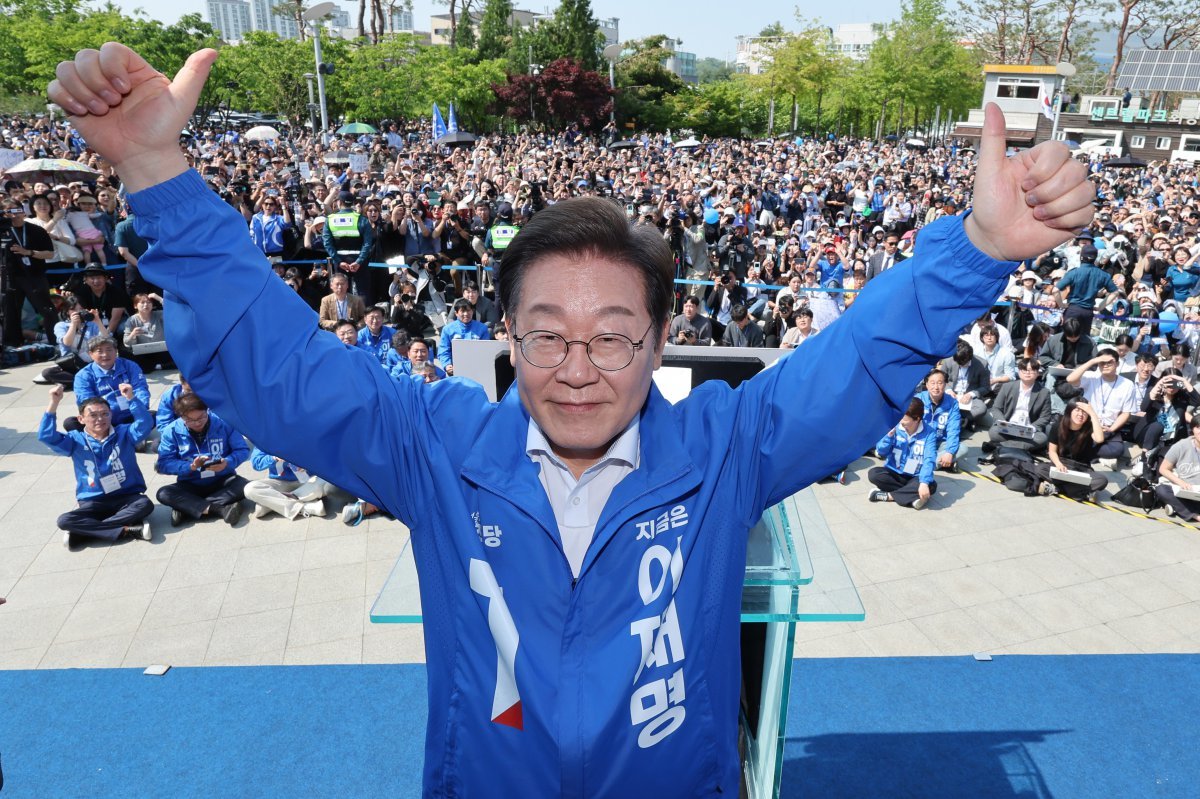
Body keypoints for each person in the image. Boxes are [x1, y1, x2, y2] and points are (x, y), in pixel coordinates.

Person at [50, 44, 1093, 796]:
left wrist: (976, 252)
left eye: (614, 337)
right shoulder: (435, 447)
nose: (579, 370)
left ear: (663, 337)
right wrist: (155, 174)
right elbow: (279, 366)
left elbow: (855, 362)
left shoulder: (724, 447)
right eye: (547, 334)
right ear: (505, 330)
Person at [38, 383, 154, 548]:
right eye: (93, 415)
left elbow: (145, 423)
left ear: (111, 415)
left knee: (145, 505)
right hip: (93, 501)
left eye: (105, 414)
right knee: (64, 520)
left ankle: (85, 532)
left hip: (126, 496)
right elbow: (46, 436)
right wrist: (54, 403)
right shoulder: (75, 440)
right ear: (81, 419)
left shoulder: (124, 433)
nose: (100, 419)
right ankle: (125, 530)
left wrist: (131, 398)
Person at [156, 392, 250, 527]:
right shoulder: (171, 431)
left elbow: (242, 450)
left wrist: (227, 462)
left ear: (207, 410)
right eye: (190, 420)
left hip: (222, 479)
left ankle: (188, 507)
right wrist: (190, 467)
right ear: (181, 416)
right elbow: (163, 463)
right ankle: (219, 509)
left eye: (201, 417)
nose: (197, 423)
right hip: (190, 482)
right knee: (164, 493)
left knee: (245, 486)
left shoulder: (223, 423)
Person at [1, 198, 58, 347]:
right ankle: (12, 345)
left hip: (34, 275)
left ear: (23, 211)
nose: (14, 215)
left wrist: (29, 252)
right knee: (10, 312)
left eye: (17, 210)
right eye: (9, 211)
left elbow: (50, 254)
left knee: (46, 309)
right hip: (10, 277)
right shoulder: (3, 231)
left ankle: (56, 342)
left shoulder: (36, 230)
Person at [1065, 349, 1138, 460]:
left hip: (1108, 427)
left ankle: (1084, 450)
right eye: (1102, 362)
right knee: (1086, 439)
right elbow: (1070, 379)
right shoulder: (1092, 377)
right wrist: (1092, 361)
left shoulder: (1127, 384)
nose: (1105, 365)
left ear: (1117, 364)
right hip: (1087, 424)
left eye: (1109, 362)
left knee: (1117, 450)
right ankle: (1088, 452)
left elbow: (1126, 413)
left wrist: (1111, 429)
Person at [69, 335, 151, 431]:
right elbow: (87, 401)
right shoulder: (83, 375)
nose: (105, 354)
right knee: (70, 423)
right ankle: (124, 433)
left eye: (109, 350)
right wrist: (107, 414)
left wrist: (140, 407)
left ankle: (126, 432)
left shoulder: (130, 366)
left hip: (131, 413)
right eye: (100, 351)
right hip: (103, 419)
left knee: (153, 416)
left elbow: (140, 389)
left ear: (116, 351)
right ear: (90, 354)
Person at [867, 397, 937, 508]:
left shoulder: (930, 433)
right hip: (894, 472)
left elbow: (929, 459)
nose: (901, 422)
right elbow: (881, 452)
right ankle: (911, 496)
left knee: (931, 485)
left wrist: (924, 483)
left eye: (904, 420)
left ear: (917, 419)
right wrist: (888, 437)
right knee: (874, 474)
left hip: (915, 475)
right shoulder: (895, 426)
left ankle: (888, 496)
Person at [983, 358, 1053, 458]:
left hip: (1029, 428)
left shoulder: (1044, 392)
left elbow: (1045, 417)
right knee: (994, 433)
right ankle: (1023, 447)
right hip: (1009, 426)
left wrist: (1032, 427)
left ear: (1038, 373)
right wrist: (1003, 422)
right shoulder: (1007, 387)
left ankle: (998, 445)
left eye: (1032, 370)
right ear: (1019, 372)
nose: (1027, 373)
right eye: (1024, 370)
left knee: (1041, 438)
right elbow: (996, 408)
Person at [1042, 399, 1109, 500]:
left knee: (1102, 480)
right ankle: (1078, 491)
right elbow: (1052, 451)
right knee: (1040, 469)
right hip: (1062, 464)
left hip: (1082, 468)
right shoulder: (1058, 426)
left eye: (1084, 412)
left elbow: (1099, 439)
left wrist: (1093, 414)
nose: (1081, 414)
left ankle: (1058, 488)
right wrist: (1058, 464)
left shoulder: (1089, 428)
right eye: (1077, 410)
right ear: (1069, 411)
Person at [244, 446, 330, 520]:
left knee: (328, 482)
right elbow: (257, 463)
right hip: (280, 481)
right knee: (250, 489)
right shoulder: (266, 436)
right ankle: (304, 508)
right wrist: (273, 458)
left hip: (309, 479)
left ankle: (272, 503)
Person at [915, 368, 962, 471]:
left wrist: (949, 452)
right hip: (920, 441)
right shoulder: (918, 399)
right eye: (932, 383)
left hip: (939, 442)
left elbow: (953, 429)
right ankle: (937, 464)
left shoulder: (952, 403)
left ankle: (922, 465)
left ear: (945, 385)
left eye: (940, 383)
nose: (936, 387)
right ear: (927, 384)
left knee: (962, 449)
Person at [1155, 417, 1200, 522]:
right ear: (1193, 429)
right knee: (1162, 490)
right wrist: (1181, 482)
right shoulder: (1181, 446)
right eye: (1198, 427)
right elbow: (1163, 469)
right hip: (1187, 490)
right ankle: (1195, 515)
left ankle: (1178, 508)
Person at [438, 298, 490, 375]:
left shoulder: (482, 328)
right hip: (455, 368)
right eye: (462, 311)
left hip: (477, 367)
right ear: (456, 313)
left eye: (468, 310)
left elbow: (486, 350)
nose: (466, 314)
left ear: (472, 311)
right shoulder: (448, 329)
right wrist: (447, 365)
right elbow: (444, 350)